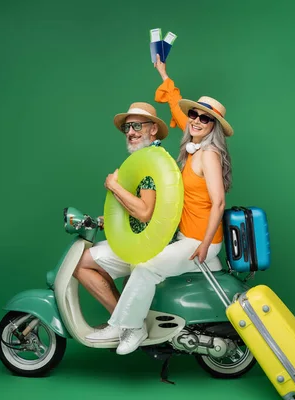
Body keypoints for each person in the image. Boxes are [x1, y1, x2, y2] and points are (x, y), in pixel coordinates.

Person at [86, 54, 234, 356]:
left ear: (214, 126)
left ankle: (131, 327)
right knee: (141, 265)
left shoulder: (209, 155)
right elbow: (178, 114)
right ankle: (129, 323)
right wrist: (164, 74)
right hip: (186, 236)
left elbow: (219, 203)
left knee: (145, 268)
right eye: (194, 114)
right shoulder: (193, 148)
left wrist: (205, 246)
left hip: (199, 240)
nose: (195, 120)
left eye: (205, 118)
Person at [73, 102, 170, 318]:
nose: (131, 133)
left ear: (153, 129)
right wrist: (106, 220)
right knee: (94, 258)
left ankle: (123, 322)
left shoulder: (150, 162)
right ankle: (125, 318)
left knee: (78, 263)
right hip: (143, 237)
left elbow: (145, 212)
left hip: (147, 245)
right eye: (127, 128)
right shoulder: (146, 158)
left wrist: (113, 186)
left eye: (137, 126)